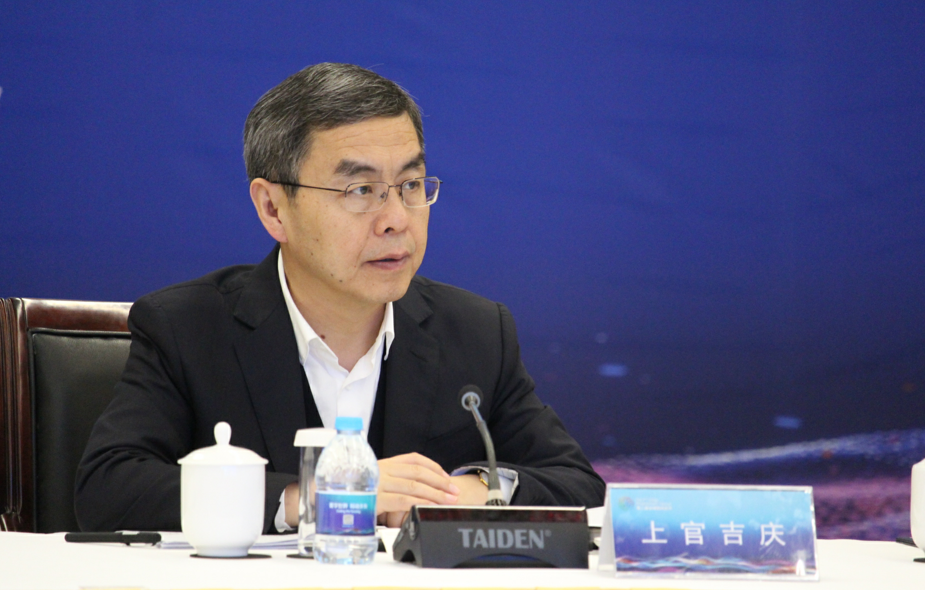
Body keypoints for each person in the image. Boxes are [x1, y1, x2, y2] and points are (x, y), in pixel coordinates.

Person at [75, 63, 606, 533]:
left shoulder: (475, 331)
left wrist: (466, 493)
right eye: (360, 191)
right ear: (273, 209)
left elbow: (576, 483)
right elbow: (108, 489)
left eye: (411, 185)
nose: (396, 219)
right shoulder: (187, 328)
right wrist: (317, 498)